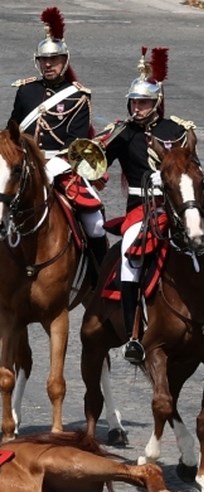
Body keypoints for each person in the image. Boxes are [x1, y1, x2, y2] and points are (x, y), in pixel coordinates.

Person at [102, 48, 204, 364]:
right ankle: (133, 334)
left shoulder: (177, 131)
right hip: (142, 207)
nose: (137, 108)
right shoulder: (123, 134)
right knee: (131, 253)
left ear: (156, 103)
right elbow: (99, 164)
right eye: (134, 102)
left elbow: (193, 169)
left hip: (182, 206)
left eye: (143, 103)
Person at [9, 7, 108, 284]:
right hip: (26, 164)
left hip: (60, 166)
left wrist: (52, 167)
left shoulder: (78, 97)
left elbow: (76, 142)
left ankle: (99, 281)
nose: (48, 65)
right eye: (44, 60)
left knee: (95, 221)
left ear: (65, 61)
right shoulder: (25, 90)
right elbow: (14, 129)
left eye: (54, 60)